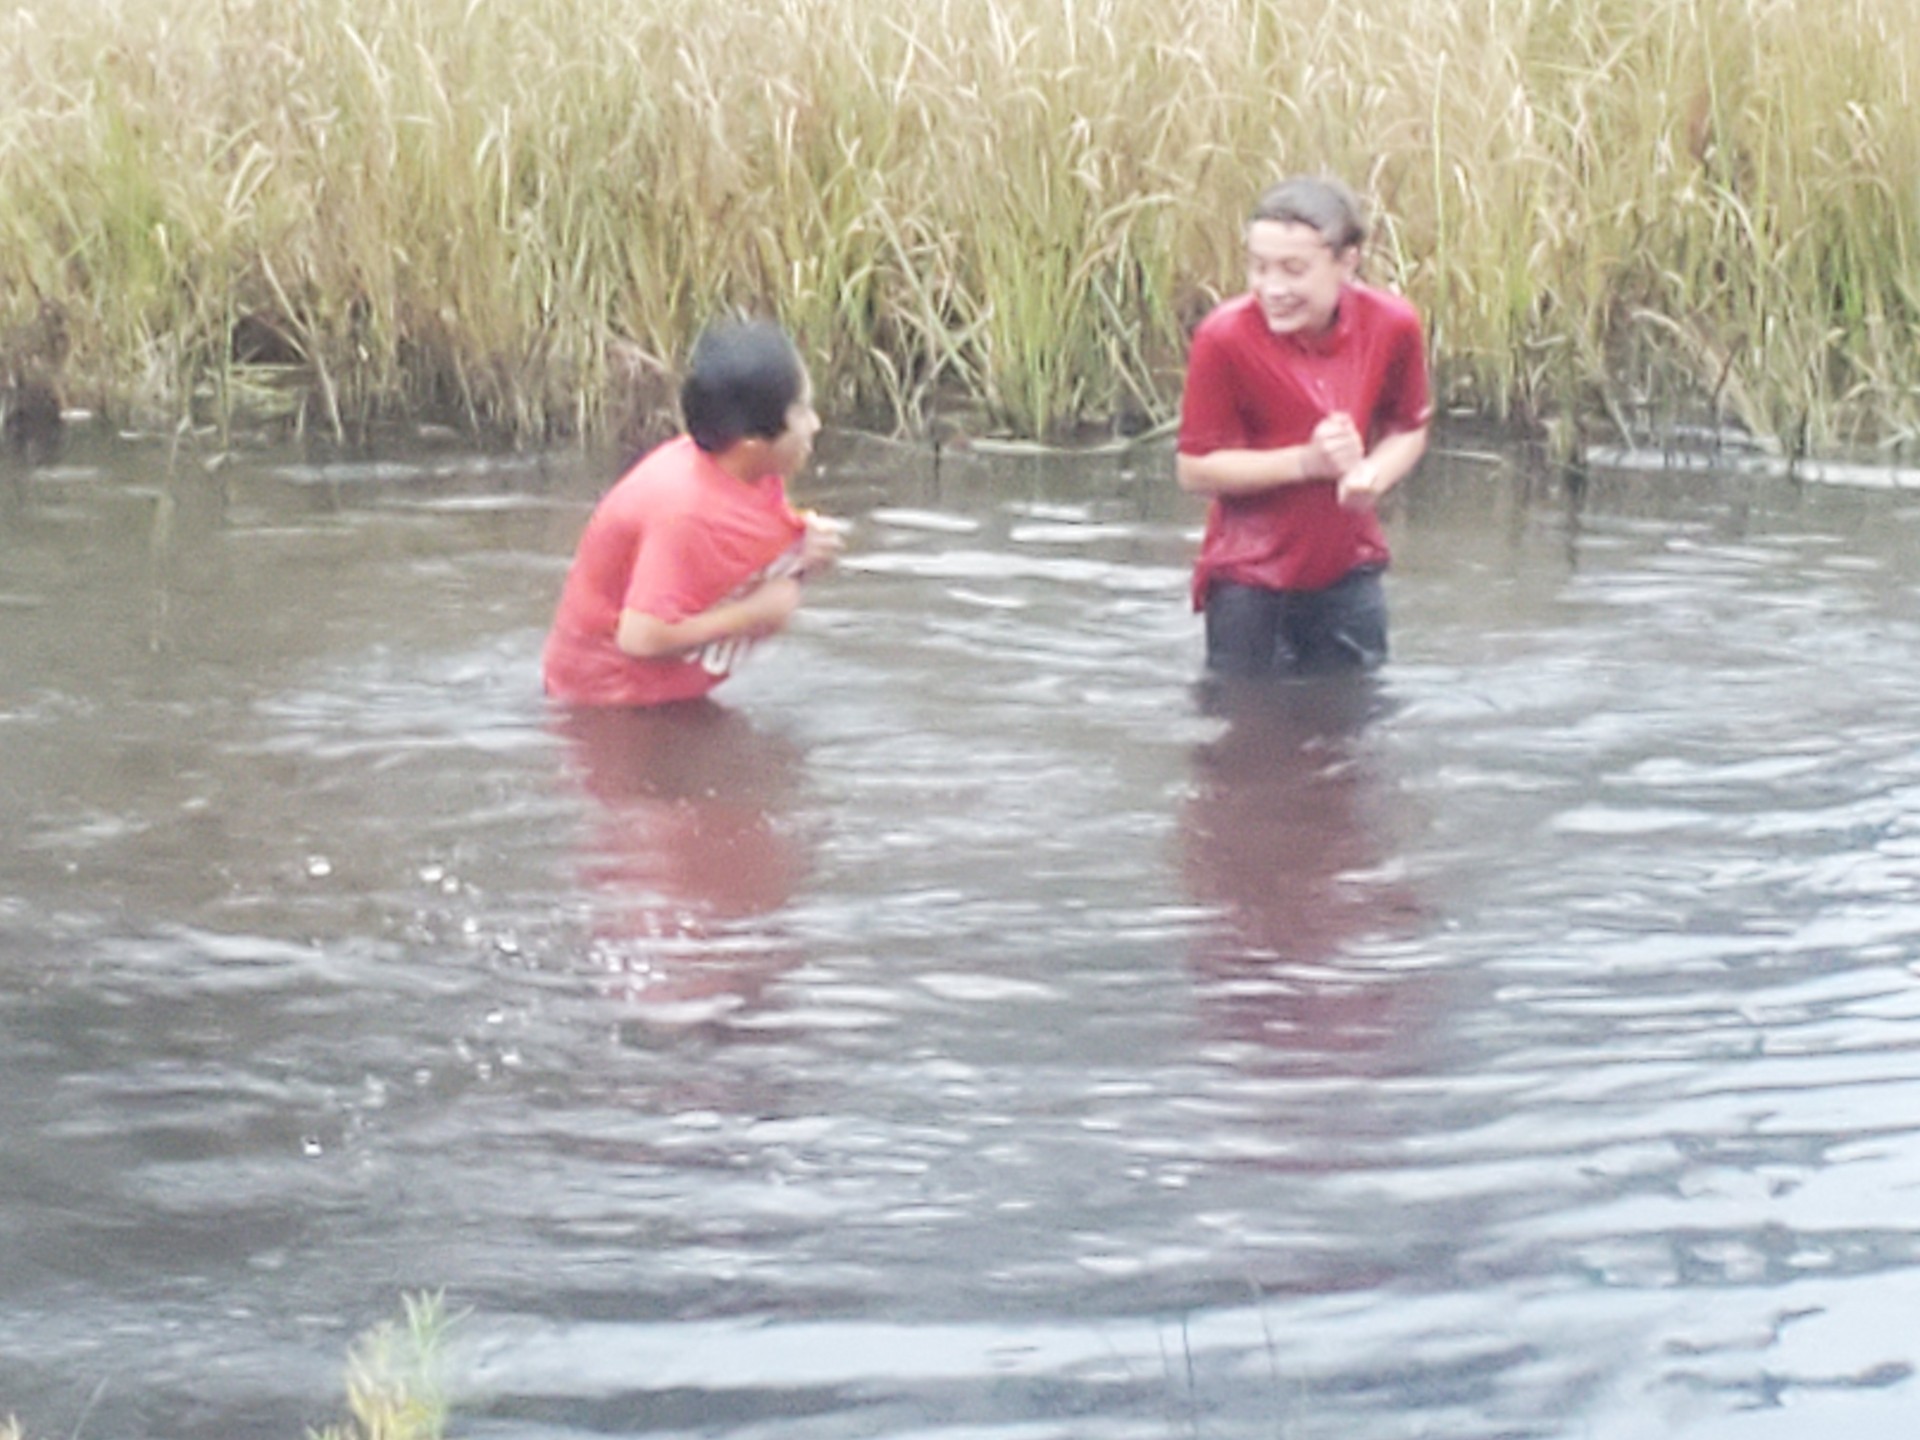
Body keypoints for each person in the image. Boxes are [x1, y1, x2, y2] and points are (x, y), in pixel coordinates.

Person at [1176, 175, 1432, 677]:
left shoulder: (1393, 324)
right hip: (1249, 578)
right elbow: (1193, 469)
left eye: (1294, 270)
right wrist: (1306, 463)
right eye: (1259, 268)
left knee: (1357, 737)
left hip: (1349, 568)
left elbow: (1409, 426)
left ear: (1347, 262)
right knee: (1245, 740)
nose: (1273, 289)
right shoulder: (1224, 338)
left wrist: (1373, 475)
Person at [543, 319, 844, 706]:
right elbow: (640, 637)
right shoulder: (684, 512)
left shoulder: (749, 472)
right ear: (752, 442)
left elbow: (732, 570)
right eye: (802, 411)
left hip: (664, 700)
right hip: (610, 709)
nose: (815, 425)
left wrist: (800, 557)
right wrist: (755, 613)